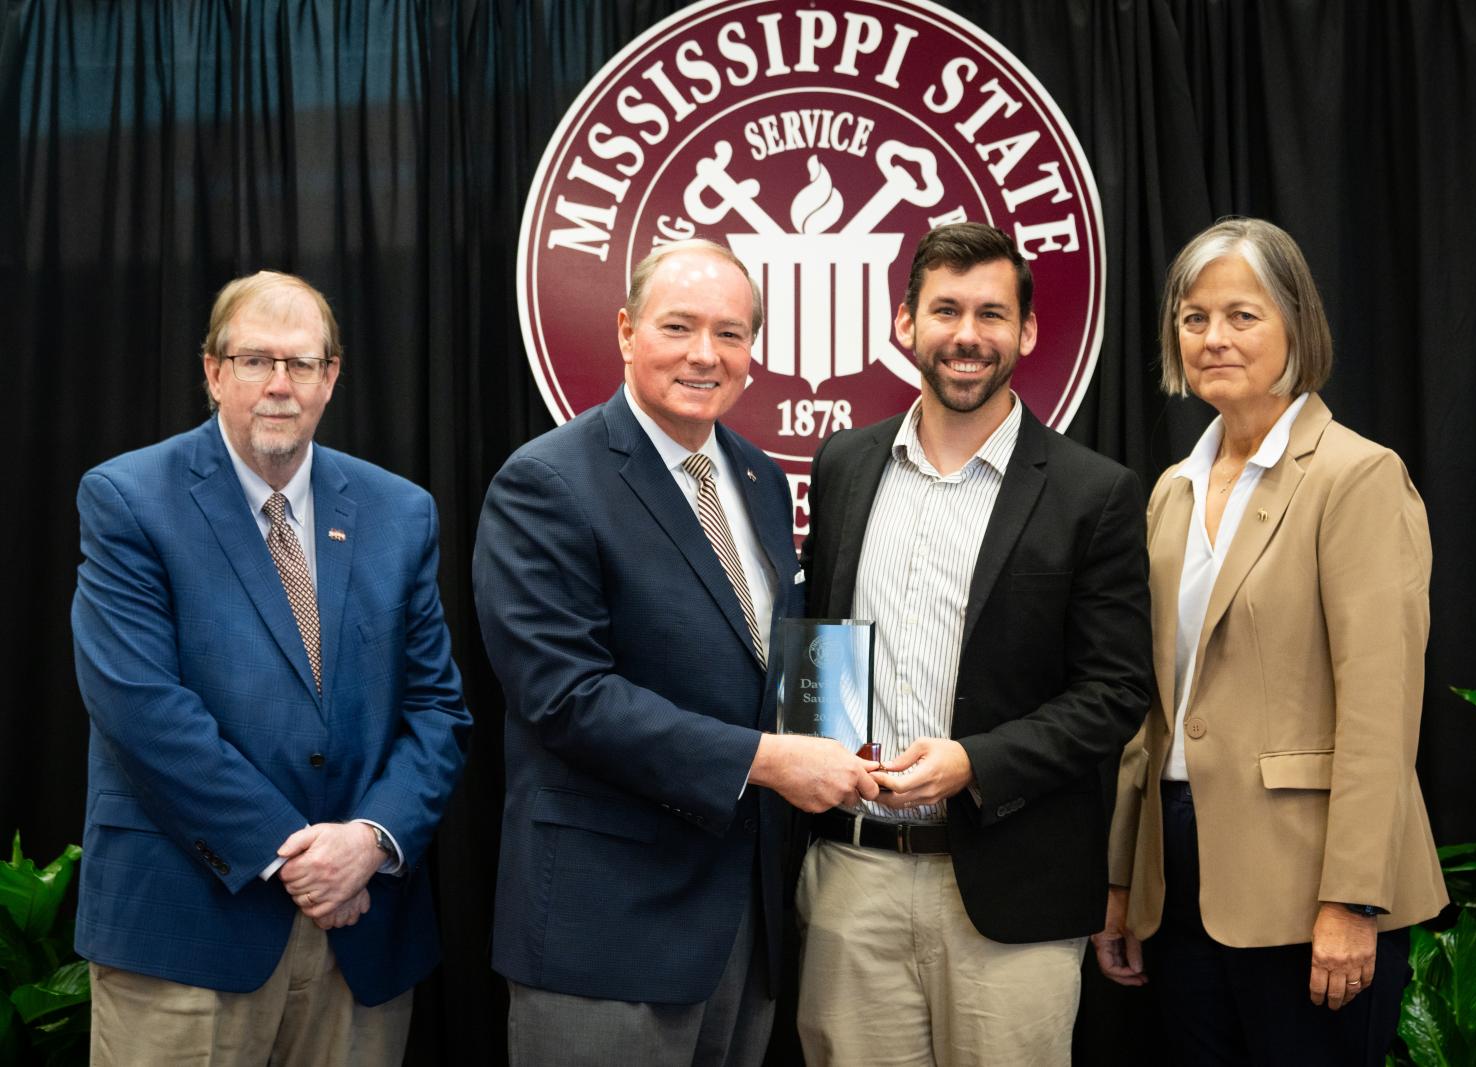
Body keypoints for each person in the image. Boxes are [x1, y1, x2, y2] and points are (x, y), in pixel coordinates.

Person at [475, 239, 880, 1067]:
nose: (706, 354)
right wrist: (769, 759)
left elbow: (771, 661)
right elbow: (566, 696)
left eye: (730, 334)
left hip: (743, 920)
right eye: (679, 326)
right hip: (609, 927)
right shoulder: (547, 481)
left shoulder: (760, 478)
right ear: (626, 331)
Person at [71, 270, 473, 1065]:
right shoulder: (128, 499)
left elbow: (436, 710)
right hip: (187, 935)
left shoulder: (400, 511)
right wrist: (302, 855)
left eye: (301, 363)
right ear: (214, 371)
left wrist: (369, 840)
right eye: (255, 361)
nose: (279, 385)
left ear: (332, 376)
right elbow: (143, 712)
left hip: (360, 937)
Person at [796, 222, 1154, 1066]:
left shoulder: (1092, 492)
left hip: (1013, 889)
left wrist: (975, 764)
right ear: (904, 323)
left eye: (992, 314)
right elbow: (821, 646)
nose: (967, 335)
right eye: (945, 310)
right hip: (854, 877)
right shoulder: (844, 465)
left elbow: (1114, 691)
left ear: (1027, 332)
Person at [1092, 217, 1448, 1064]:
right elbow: (1154, 710)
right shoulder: (1171, 493)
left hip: (1309, 886)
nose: (1213, 337)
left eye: (1242, 315)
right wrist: (1122, 882)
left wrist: (1354, 899)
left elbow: (1379, 708)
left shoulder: (1355, 475)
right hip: (1179, 882)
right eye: (1193, 317)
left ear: (1297, 324)